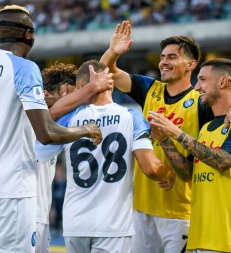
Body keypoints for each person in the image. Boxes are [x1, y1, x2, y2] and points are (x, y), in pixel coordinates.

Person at [100, 20, 231, 252]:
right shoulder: (149, 88)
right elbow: (104, 75)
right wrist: (112, 53)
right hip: (141, 207)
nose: (163, 62)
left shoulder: (202, 100)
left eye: (172, 57)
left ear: (191, 64)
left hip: (180, 210)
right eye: (162, 57)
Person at [0, 5, 109, 253]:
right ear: (29, 36)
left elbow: (15, 104)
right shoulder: (25, 68)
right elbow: (46, 133)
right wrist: (87, 130)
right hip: (13, 185)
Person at [36, 60, 176, 253]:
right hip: (113, 226)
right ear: (109, 84)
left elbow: (41, 146)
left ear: (83, 87)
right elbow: (151, 168)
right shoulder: (132, 117)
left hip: (75, 224)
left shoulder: (69, 118)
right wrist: (169, 174)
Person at [149, 58, 231, 253]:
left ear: (222, 82)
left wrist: (176, 132)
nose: (196, 86)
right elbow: (189, 173)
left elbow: (222, 162)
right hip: (198, 236)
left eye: (202, 79)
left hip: (227, 239)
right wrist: (165, 139)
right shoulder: (206, 129)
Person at [35, 61, 78, 253]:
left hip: (39, 212)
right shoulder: (38, 115)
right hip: (25, 208)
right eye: (69, 92)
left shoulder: (57, 118)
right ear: (46, 94)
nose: (73, 100)